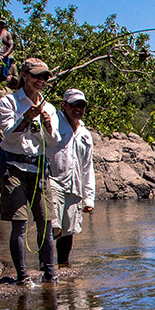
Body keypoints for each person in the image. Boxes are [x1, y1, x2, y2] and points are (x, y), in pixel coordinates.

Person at [0, 57, 60, 285]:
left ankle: (50, 274)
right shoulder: (8, 102)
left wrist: (49, 126)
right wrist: (26, 119)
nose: (42, 80)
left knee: (46, 222)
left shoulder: (49, 107)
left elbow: (54, 144)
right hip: (14, 168)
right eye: (37, 76)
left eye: (45, 76)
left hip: (39, 169)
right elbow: (8, 137)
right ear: (25, 76)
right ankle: (22, 276)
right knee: (20, 224)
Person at [47, 88, 95, 266]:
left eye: (81, 105)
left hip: (75, 187)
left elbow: (87, 168)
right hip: (53, 183)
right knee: (52, 227)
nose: (78, 109)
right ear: (64, 105)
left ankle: (63, 266)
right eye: (74, 105)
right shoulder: (52, 123)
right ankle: (46, 268)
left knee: (68, 231)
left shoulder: (85, 134)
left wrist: (89, 198)